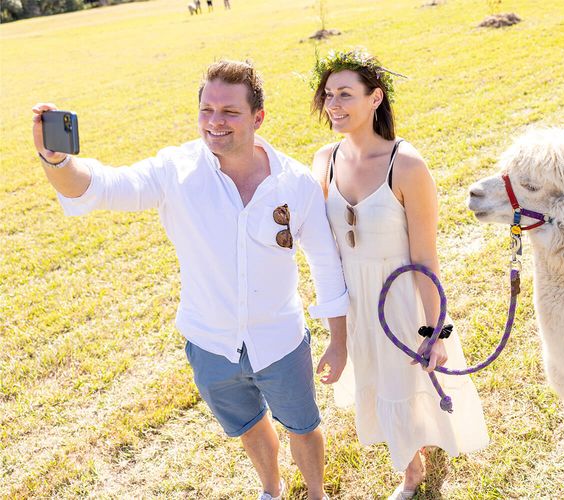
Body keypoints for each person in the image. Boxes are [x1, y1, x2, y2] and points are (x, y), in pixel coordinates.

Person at [32, 59, 348, 500]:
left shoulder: (295, 183)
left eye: (229, 112)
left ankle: (315, 494)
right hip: (210, 344)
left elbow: (325, 262)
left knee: (303, 427)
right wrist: (57, 160)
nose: (215, 123)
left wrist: (339, 338)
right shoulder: (175, 171)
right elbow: (99, 185)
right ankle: (272, 490)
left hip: (280, 340)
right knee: (250, 426)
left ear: (258, 117)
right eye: (207, 110)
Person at [309, 49, 489, 499]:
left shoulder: (406, 166)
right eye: (328, 94)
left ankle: (411, 473)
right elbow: (319, 244)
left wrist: (437, 331)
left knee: (404, 383)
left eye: (345, 94)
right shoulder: (323, 160)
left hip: (401, 297)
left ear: (375, 99)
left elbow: (427, 258)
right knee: (376, 381)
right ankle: (410, 461)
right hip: (355, 299)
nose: (334, 103)